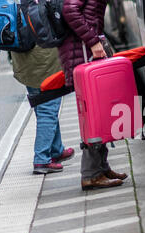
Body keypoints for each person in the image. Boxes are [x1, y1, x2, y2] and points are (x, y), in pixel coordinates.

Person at [60, 0, 127, 189]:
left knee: (100, 111)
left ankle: (102, 167)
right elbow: (70, 10)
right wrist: (93, 41)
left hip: (85, 49)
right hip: (82, 51)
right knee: (93, 115)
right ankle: (91, 174)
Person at [12, 46, 75, 174]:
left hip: (23, 58)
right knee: (47, 109)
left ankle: (56, 150)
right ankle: (42, 159)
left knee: (43, 106)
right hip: (44, 60)